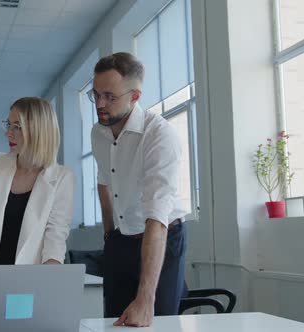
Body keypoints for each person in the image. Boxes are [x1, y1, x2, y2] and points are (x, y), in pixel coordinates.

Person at [89, 52, 187, 327]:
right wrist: (110, 235)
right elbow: (103, 180)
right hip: (122, 237)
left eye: (109, 96)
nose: (99, 104)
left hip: (162, 236)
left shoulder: (159, 135)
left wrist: (146, 298)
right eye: (95, 94)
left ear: (134, 97)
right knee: (114, 320)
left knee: (153, 321)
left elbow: (156, 216)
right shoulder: (98, 132)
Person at [0, 97, 75, 266]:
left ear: (39, 131)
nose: (8, 133)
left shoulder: (62, 178)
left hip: (31, 279)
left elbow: (55, 238)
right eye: (8, 124)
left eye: (17, 127)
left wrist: (47, 283)